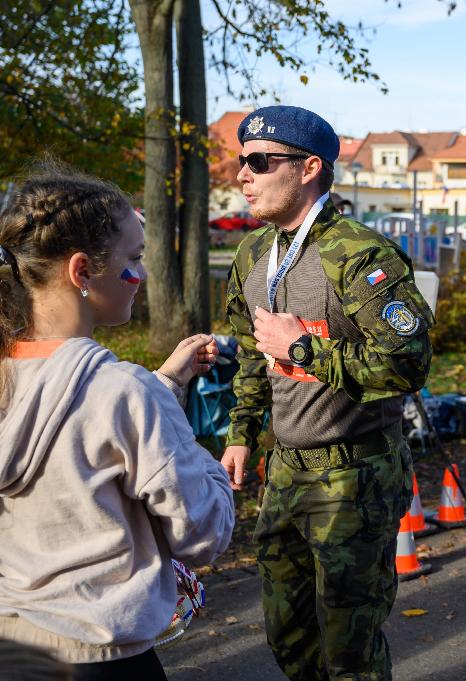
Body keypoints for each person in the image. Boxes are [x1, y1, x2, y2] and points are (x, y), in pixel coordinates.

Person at [220, 106, 434, 681]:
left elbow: (408, 364)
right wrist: (241, 433)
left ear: (309, 167)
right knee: (288, 637)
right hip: (285, 469)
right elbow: (249, 352)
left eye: (261, 162)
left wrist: (304, 350)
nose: (244, 174)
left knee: (350, 654)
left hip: (356, 472)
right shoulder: (252, 254)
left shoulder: (361, 255)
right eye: (242, 162)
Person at [0, 166, 234, 678]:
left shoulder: (10, 377)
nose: (143, 274)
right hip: (103, 661)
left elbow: (71, 423)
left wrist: (163, 385)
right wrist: (189, 439)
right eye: (134, 258)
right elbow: (204, 533)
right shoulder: (126, 393)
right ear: (82, 272)